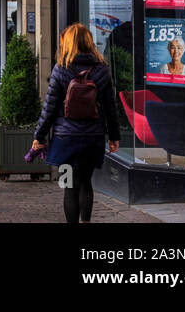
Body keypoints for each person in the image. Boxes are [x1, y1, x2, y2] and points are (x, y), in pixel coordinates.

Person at [31, 23, 121, 224]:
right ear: (89, 42)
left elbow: (50, 108)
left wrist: (39, 136)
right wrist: (114, 136)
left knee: (69, 187)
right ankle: (86, 221)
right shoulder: (102, 69)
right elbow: (110, 107)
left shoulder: (61, 69)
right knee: (86, 182)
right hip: (92, 137)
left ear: (68, 43)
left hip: (65, 139)